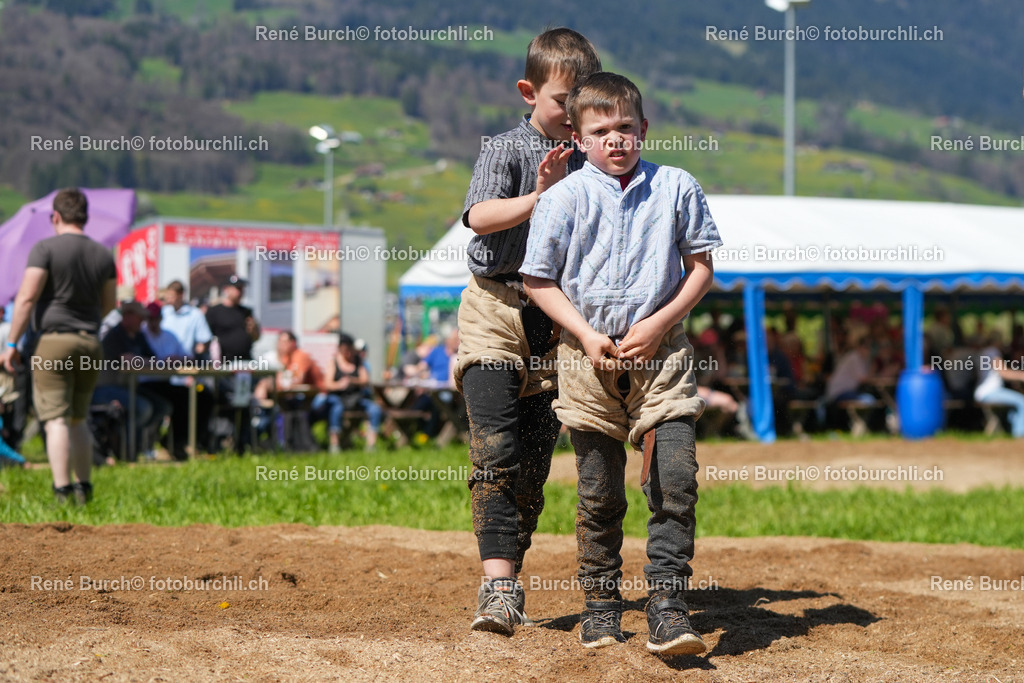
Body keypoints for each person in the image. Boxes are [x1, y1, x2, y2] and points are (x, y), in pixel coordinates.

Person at [521, 72, 721, 654]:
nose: (615, 140)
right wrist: (583, 334)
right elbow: (538, 278)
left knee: (674, 479)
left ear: (644, 129)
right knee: (600, 492)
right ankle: (602, 607)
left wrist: (659, 323)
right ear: (579, 137)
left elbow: (701, 266)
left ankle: (668, 607)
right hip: (587, 358)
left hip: (662, 355)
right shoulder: (562, 198)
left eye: (625, 128)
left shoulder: (677, 186)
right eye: (601, 130)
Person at [454, 28, 602, 636]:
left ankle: (511, 574)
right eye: (561, 100)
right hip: (494, 304)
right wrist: (539, 195)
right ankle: (497, 589)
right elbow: (476, 218)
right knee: (496, 448)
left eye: (580, 101)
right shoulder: (506, 148)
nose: (571, 114)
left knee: (533, 467)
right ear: (529, 91)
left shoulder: (594, 157)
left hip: (554, 317)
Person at [0, 188, 117, 503]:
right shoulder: (104, 254)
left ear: (55, 216)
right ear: (85, 217)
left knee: (55, 420)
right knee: (79, 417)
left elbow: (26, 298)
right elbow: (109, 304)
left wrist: (12, 342)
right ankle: (85, 489)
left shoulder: (45, 248)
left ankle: (62, 490)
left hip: (53, 342)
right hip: (91, 342)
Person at [94, 301, 172, 460]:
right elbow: (128, 360)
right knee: (143, 408)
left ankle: (139, 447)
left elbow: (152, 359)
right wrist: (147, 361)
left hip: (128, 387)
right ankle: (126, 452)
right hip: (105, 389)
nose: (143, 321)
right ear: (127, 316)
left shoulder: (139, 336)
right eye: (140, 317)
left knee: (162, 407)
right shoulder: (115, 335)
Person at [206, 274, 260, 453]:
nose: (240, 292)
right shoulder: (215, 312)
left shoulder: (246, 312)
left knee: (245, 402)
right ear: (227, 289)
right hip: (224, 368)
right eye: (237, 288)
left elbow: (256, 337)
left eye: (242, 289)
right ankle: (222, 439)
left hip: (245, 365)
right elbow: (206, 340)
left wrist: (255, 331)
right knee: (226, 403)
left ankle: (242, 441)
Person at [312, 333, 383, 453]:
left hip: (356, 398)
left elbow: (365, 380)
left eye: (349, 349)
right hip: (338, 398)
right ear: (340, 349)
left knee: (375, 409)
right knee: (336, 408)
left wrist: (352, 381)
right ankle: (334, 445)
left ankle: (371, 445)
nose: (348, 353)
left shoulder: (357, 361)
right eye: (345, 350)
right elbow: (327, 384)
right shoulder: (333, 362)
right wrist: (340, 384)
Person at [141, 301, 190, 460]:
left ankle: (176, 443)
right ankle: (159, 444)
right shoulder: (141, 335)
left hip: (166, 383)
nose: (153, 322)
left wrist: (178, 359)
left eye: (156, 319)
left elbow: (188, 357)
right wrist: (162, 361)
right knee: (169, 402)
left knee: (193, 397)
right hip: (144, 384)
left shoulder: (170, 336)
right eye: (150, 319)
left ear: (161, 318)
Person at [974, 332, 1024, 437]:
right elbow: (1003, 372)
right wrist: (1021, 375)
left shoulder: (983, 352)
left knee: (1014, 405)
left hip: (982, 392)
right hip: (990, 392)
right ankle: (1019, 437)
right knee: (1021, 401)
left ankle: (1014, 430)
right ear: (997, 341)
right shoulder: (993, 352)